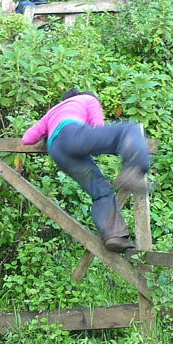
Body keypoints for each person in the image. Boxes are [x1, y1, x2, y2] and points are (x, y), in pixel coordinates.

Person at [21, 89, 150, 253]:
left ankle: (114, 236)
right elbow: (98, 127)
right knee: (128, 129)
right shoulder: (88, 100)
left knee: (101, 190)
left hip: (57, 151)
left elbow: (27, 139)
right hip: (73, 135)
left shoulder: (52, 111)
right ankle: (133, 170)